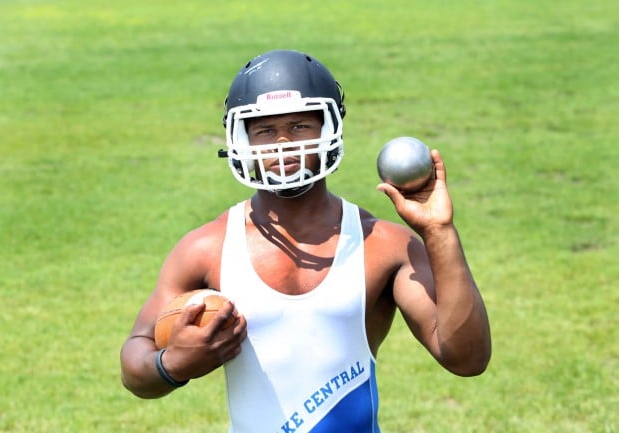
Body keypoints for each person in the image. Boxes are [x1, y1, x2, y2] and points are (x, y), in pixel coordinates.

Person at [120, 49, 491, 432]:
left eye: (300, 126)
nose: (282, 143)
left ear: (330, 128)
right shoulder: (206, 248)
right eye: (264, 130)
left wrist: (438, 232)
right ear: (240, 139)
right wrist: (172, 365)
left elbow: (467, 359)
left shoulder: (382, 243)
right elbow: (135, 362)